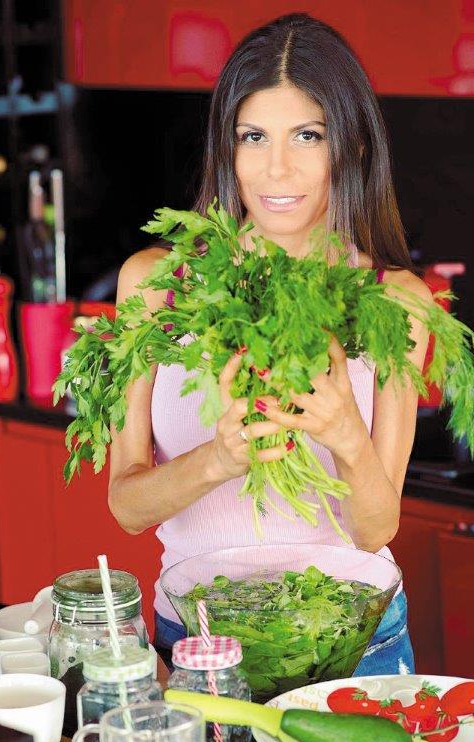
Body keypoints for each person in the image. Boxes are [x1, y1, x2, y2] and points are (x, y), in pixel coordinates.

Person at [108, 13, 433, 673]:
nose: (276, 168)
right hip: (201, 646)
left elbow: (376, 528)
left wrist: (346, 434)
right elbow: (127, 506)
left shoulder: (396, 301)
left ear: (353, 147)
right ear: (226, 148)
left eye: (308, 136)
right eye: (253, 136)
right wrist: (218, 458)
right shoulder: (155, 287)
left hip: (353, 643)